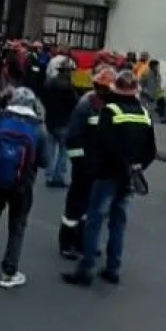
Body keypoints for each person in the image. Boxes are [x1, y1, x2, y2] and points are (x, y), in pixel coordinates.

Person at [63, 70, 156, 287]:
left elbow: (102, 144)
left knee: (94, 221)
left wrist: (96, 168)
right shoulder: (144, 113)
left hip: (107, 175)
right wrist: (136, 168)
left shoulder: (110, 110)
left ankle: (86, 270)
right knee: (118, 223)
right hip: (129, 178)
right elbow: (151, 150)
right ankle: (113, 269)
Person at [0, 87, 50, 288]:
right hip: (23, 184)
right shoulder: (38, 128)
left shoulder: (0, 120)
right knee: (17, 227)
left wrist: (0, 101)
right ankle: (9, 272)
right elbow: (45, 161)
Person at [57, 66, 115, 259]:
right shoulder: (86, 106)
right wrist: (80, 164)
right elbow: (73, 139)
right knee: (74, 206)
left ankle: (82, 241)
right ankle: (67, 243)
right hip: (83, 167)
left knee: (90, 207)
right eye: (104, 88)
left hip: (98, 167)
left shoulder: (108, 107)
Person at [40, 58, 79, 188]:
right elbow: (74, 104)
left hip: (50, 120)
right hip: (64, 122)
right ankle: (59, 177)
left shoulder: (49, 83)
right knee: (63, 152)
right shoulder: (68, 87)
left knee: (50, 150)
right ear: (67, 72)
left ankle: (49, 175)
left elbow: (43, 100)